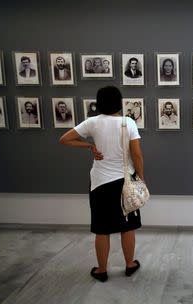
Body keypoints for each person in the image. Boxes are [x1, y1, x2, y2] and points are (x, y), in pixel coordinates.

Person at [59, 86, 144, 282]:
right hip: (125, 181)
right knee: (127, 226)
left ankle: (102, 270)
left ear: (99, 102)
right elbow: (137, 154)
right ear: (118, 102)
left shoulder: (92, 122)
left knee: (102, 228)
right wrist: (140, 176)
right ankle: (130, 264)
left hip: (100, 183)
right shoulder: (128, 122)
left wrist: (89, 145)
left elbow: (64, 139)